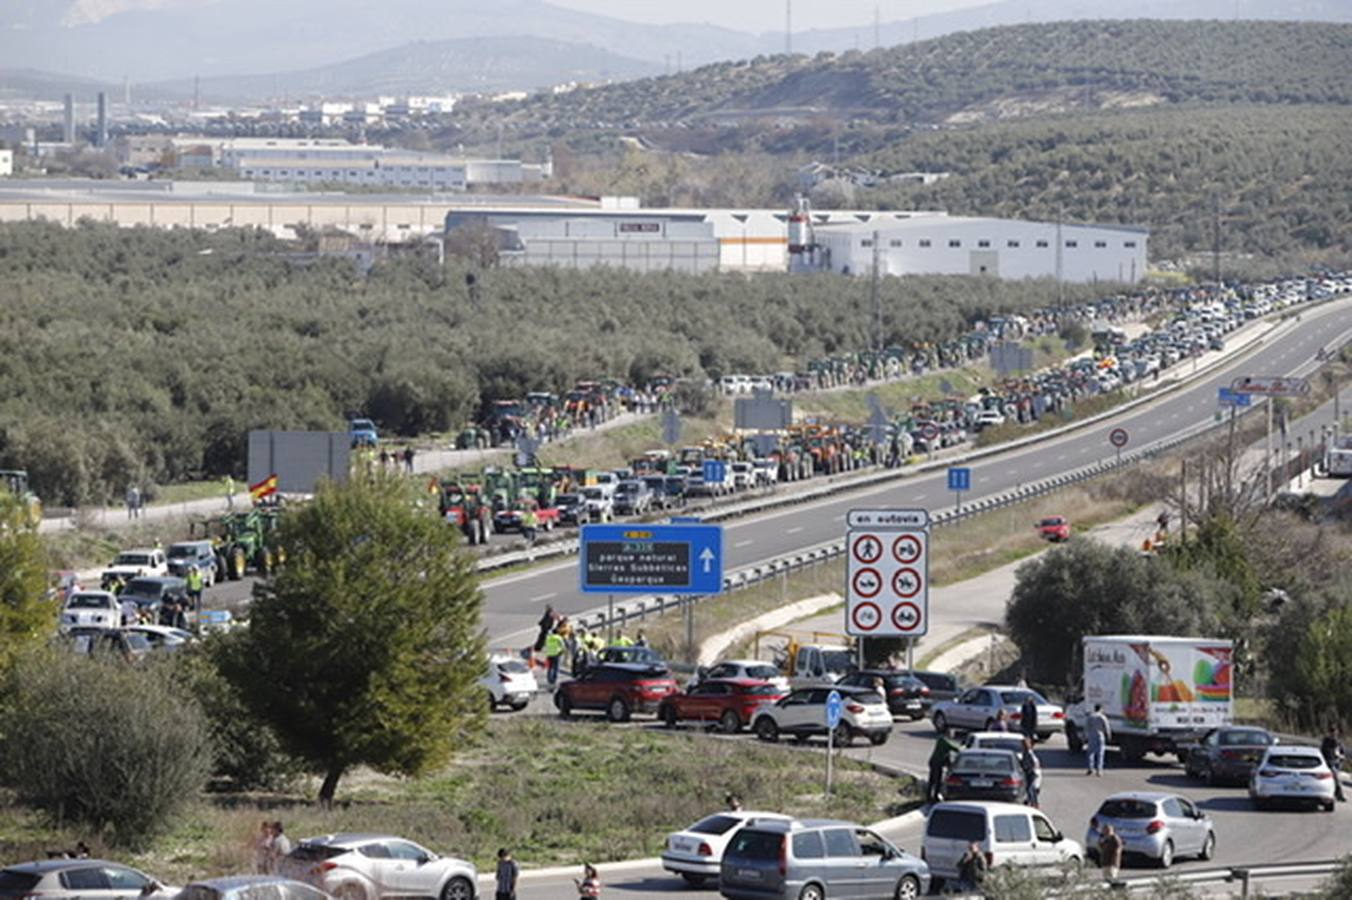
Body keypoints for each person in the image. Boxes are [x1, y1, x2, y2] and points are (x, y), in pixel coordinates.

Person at [926, 735, 959, 804]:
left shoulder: (944, 745)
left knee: (934, 781)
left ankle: (931, 796)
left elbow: (947, 759)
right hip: (936, 763)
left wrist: (950, 766)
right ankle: (932, 797)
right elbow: (953, 748)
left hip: (936, 763)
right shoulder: (942, 741)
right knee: (936, 781)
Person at [1321, 725, 1347, 802]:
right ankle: (1339, 795)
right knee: (1335, 779)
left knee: (1336, 779)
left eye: (1335, 732)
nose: (1333, 734)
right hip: (1329, 762)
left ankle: (1336, 794)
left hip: (1336, 763)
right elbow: (1324, 751)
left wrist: (1341, 758)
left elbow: (1342, 752)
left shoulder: (1339, 742)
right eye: (1332, 732)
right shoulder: (1326, 741)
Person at [1086, 704, 1111, 776]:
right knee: (1100, 753)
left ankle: (1090, 768)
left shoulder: (1090, 716)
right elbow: (1106, 727)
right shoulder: (1102, 717)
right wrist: (1108, 735)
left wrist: (1085, 735)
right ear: (1100, 709)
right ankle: (1099, 770)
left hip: (1092, 735)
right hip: (1100, 735)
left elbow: (1087, 727)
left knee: (1090, 753)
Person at [1020, 737, 1042, 808]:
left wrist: (1028, 769)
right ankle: (1033, 802)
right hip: (1033, 772)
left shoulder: (1028, 753)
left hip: (1031, 772)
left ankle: (1033, 803)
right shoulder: (1029, 752)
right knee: (1031, 788)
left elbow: (1029, 763)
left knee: (1030, 788)